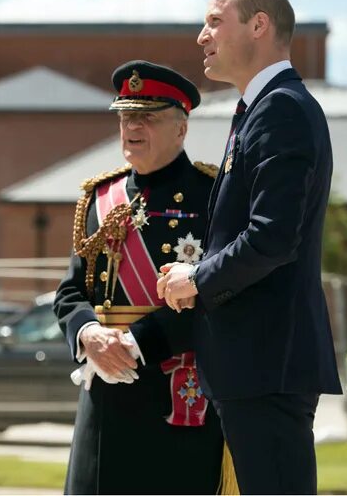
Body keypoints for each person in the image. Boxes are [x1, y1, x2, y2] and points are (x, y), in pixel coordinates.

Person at [158, 0, 342, 494]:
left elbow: (272, 237)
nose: (201, 37)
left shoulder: (281, 109)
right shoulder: (259, 109)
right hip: (257, 363)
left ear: (259, 25)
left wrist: (196, 277)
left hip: (268, 363)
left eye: (215, 21)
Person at [55, 60, 230, 494]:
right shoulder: (100, 197)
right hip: (106, 394)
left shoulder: (213, 196)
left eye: (148, 117)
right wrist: (89, 333)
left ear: (181, 128)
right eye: (126, 116)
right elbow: (70, 292)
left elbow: (220, 295)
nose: (133, 127)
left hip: (176, 391)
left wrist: (137, 342)